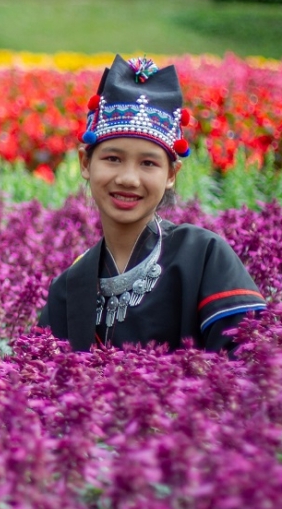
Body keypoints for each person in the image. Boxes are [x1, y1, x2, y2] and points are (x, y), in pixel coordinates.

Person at [38, 54, 267, 352]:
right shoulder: (68, 289)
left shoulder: (203, 258)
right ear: (85, 162)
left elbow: (252, 371)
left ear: (171, 174)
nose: (129, 178)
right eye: (112, 159)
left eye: (148, 163)